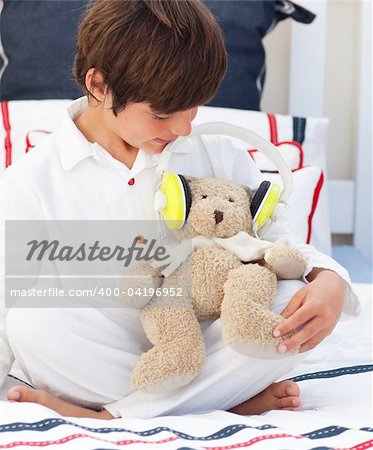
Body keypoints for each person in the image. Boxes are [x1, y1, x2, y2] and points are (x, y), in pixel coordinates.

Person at [0, 0, 358, 420]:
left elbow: (276, 242)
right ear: (98, 85)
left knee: (290, 304)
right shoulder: (32, 180)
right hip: (105, 349)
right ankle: (202, 403)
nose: (183, 129)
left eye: (194, 109)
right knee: (31, 319)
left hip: (202, 335)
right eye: (163, 114)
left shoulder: (219, 154)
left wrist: (330, 280)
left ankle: (117, 416)